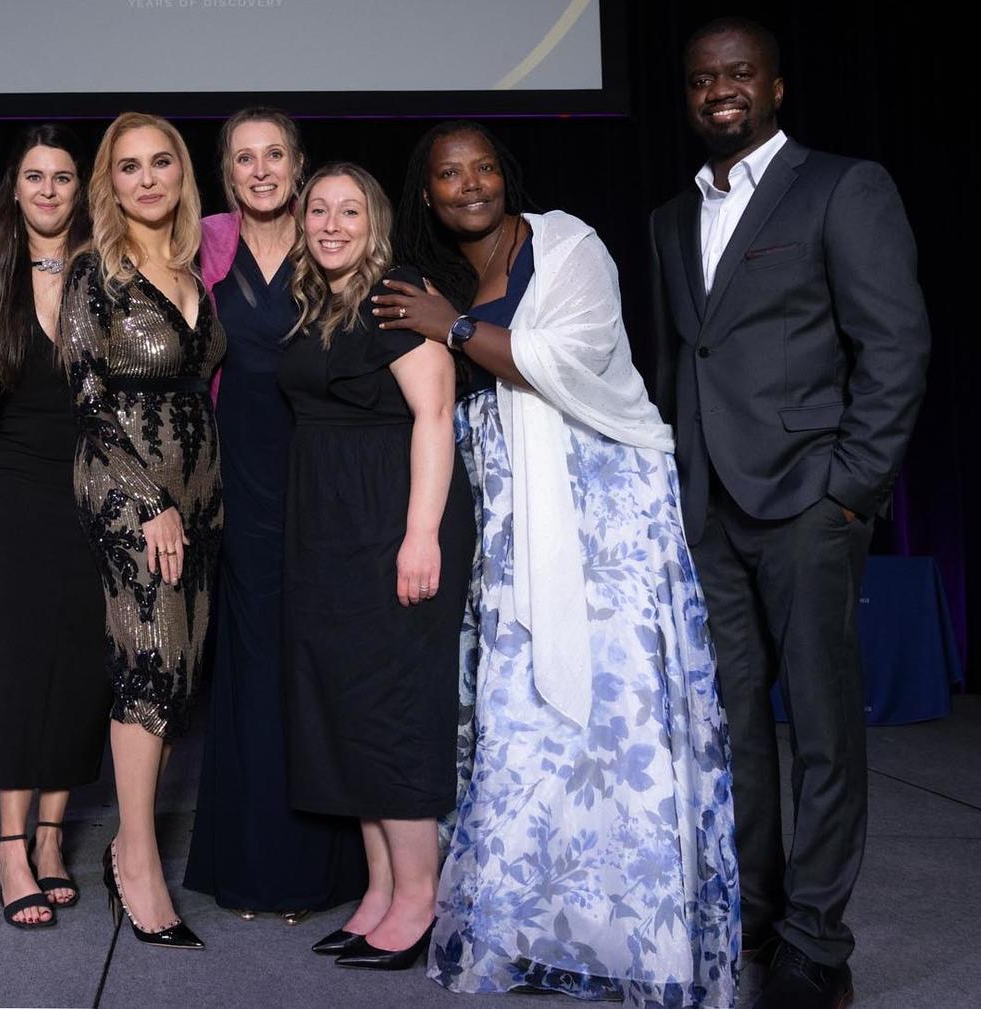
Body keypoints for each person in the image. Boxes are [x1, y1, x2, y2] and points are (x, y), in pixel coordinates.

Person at [384, 121, 738, 1004]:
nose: (471, 184)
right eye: (449, 174)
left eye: (484, 168)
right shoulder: (448, 279)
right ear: (427, 194)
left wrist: (454, 326)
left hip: (608, 515)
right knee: (530, 723)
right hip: (514, 530)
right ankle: (538, 937)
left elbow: (571, 362)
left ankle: (638, 948)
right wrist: (449, 316)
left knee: (616, 725)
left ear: (507, 176)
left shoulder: (566, 243)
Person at [651, 18, 930, 1009]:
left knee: (819, 726)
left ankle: (817, 947)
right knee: (734, 728)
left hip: (810, 505)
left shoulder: (842, 187)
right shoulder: (669, 219)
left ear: (774, 88)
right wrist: (685, 495)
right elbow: (684, 362)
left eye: (738, 75)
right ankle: (757, 912)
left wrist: (850, 490)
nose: (718, 91)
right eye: (700, 80)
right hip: (712, 513)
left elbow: (894, 347)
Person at [277, 162, 474, 971]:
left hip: (392, 520)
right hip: (329, 528)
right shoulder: (318, 300)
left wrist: (421, 533)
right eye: (317, 209)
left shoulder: (396, 290)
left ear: (375, 219)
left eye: (347, 210)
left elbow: (435, 413)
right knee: (347, 704)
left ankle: (420, 899)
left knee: (392, 707)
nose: (330, 224)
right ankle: (380, 888)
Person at [183, 107, 367, 921]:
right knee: (251, 667)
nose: (261, 170)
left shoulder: (329, 232)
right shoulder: (203, 239)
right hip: (235, 478)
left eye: (275, 155)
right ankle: (254, 867)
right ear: (226, 171)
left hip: (321, 473)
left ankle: (321, 871)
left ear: (299, 164)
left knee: (317, 665)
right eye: (244, 157)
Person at [59, 112, 225, 950]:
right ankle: (140, 861)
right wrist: (148, 498)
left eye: (163, 163)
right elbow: (87, 399)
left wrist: (190, 497)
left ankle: (130, 841)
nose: (148, 178)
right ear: (110, 184)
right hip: (128, 482)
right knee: (151, 664)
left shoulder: (196, 267)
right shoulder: (97, 272)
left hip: (197, 493)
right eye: (130, 167)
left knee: (179, 667)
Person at [0, 123, 109, 929]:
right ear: (15, 188)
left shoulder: (106, 267)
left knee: (84, 662)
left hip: (93, 487)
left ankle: (54, 834)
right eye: (35, 176)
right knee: (19, 664)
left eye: (63, 176)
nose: (50, 189)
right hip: (15, 486)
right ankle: (10, 845)